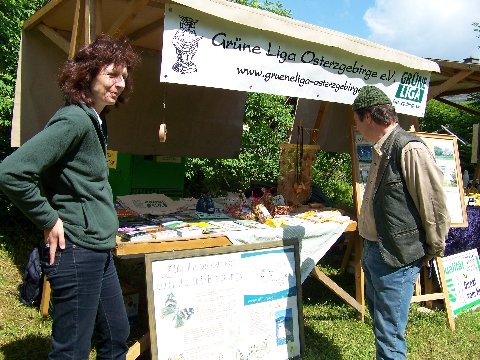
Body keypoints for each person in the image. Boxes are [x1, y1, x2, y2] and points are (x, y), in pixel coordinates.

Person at [0, 35, 140, 359]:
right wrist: (48, 219)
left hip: (98, 250)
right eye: (112, 74)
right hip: (76, 251)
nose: (120, 83)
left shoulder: (95, 120)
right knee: (72, 352)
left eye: (124, 76)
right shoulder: (74, 119)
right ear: (88, 74)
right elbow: (11, 172)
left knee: (116, 334)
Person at [352, 85, 450, 360]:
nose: (357, 127)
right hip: (376, 250)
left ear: (369, 117)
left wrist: (433, 248)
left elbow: (434, 205)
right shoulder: (381, 148)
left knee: (389, 334)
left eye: (357, 120)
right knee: (383, 325)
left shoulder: (408, 148)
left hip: (396, 256)